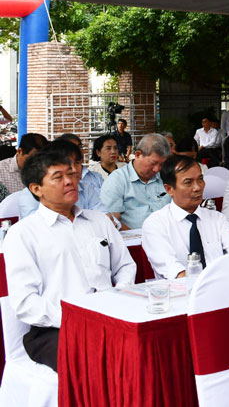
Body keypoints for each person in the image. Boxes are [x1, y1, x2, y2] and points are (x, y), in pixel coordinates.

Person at [3, 150, 136, 372]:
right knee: (99, 357)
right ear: (36, 189)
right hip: (54, 329)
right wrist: (80, 318)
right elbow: (25, 302)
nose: (70, 182)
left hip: (110, 316)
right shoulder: (23, 234)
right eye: (58, 177)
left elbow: (125, 266)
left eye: (72, 174)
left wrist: (118, 298)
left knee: (149, 345)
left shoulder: (99, 221)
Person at [141, 155, 229, 279]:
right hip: (180, 294)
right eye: (188, 182)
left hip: (220, 288)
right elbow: (173, 269)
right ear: (169, 189)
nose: (198, 187)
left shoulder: (216, 218)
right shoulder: (156, 224)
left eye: (200, 179)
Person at [20, 137, 106, 218]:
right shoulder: (28, 197)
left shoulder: (86, 188)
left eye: (76, 163)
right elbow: (37, 227)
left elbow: (108, 220)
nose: (74, 170)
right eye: (58, 177)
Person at [101, 133, 172, 230]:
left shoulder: (165, 177)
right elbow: (112, 221)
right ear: (138, 155)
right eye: (153, 163)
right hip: (134, 241)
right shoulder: (117, 180)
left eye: (161, 164)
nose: (157, 169)